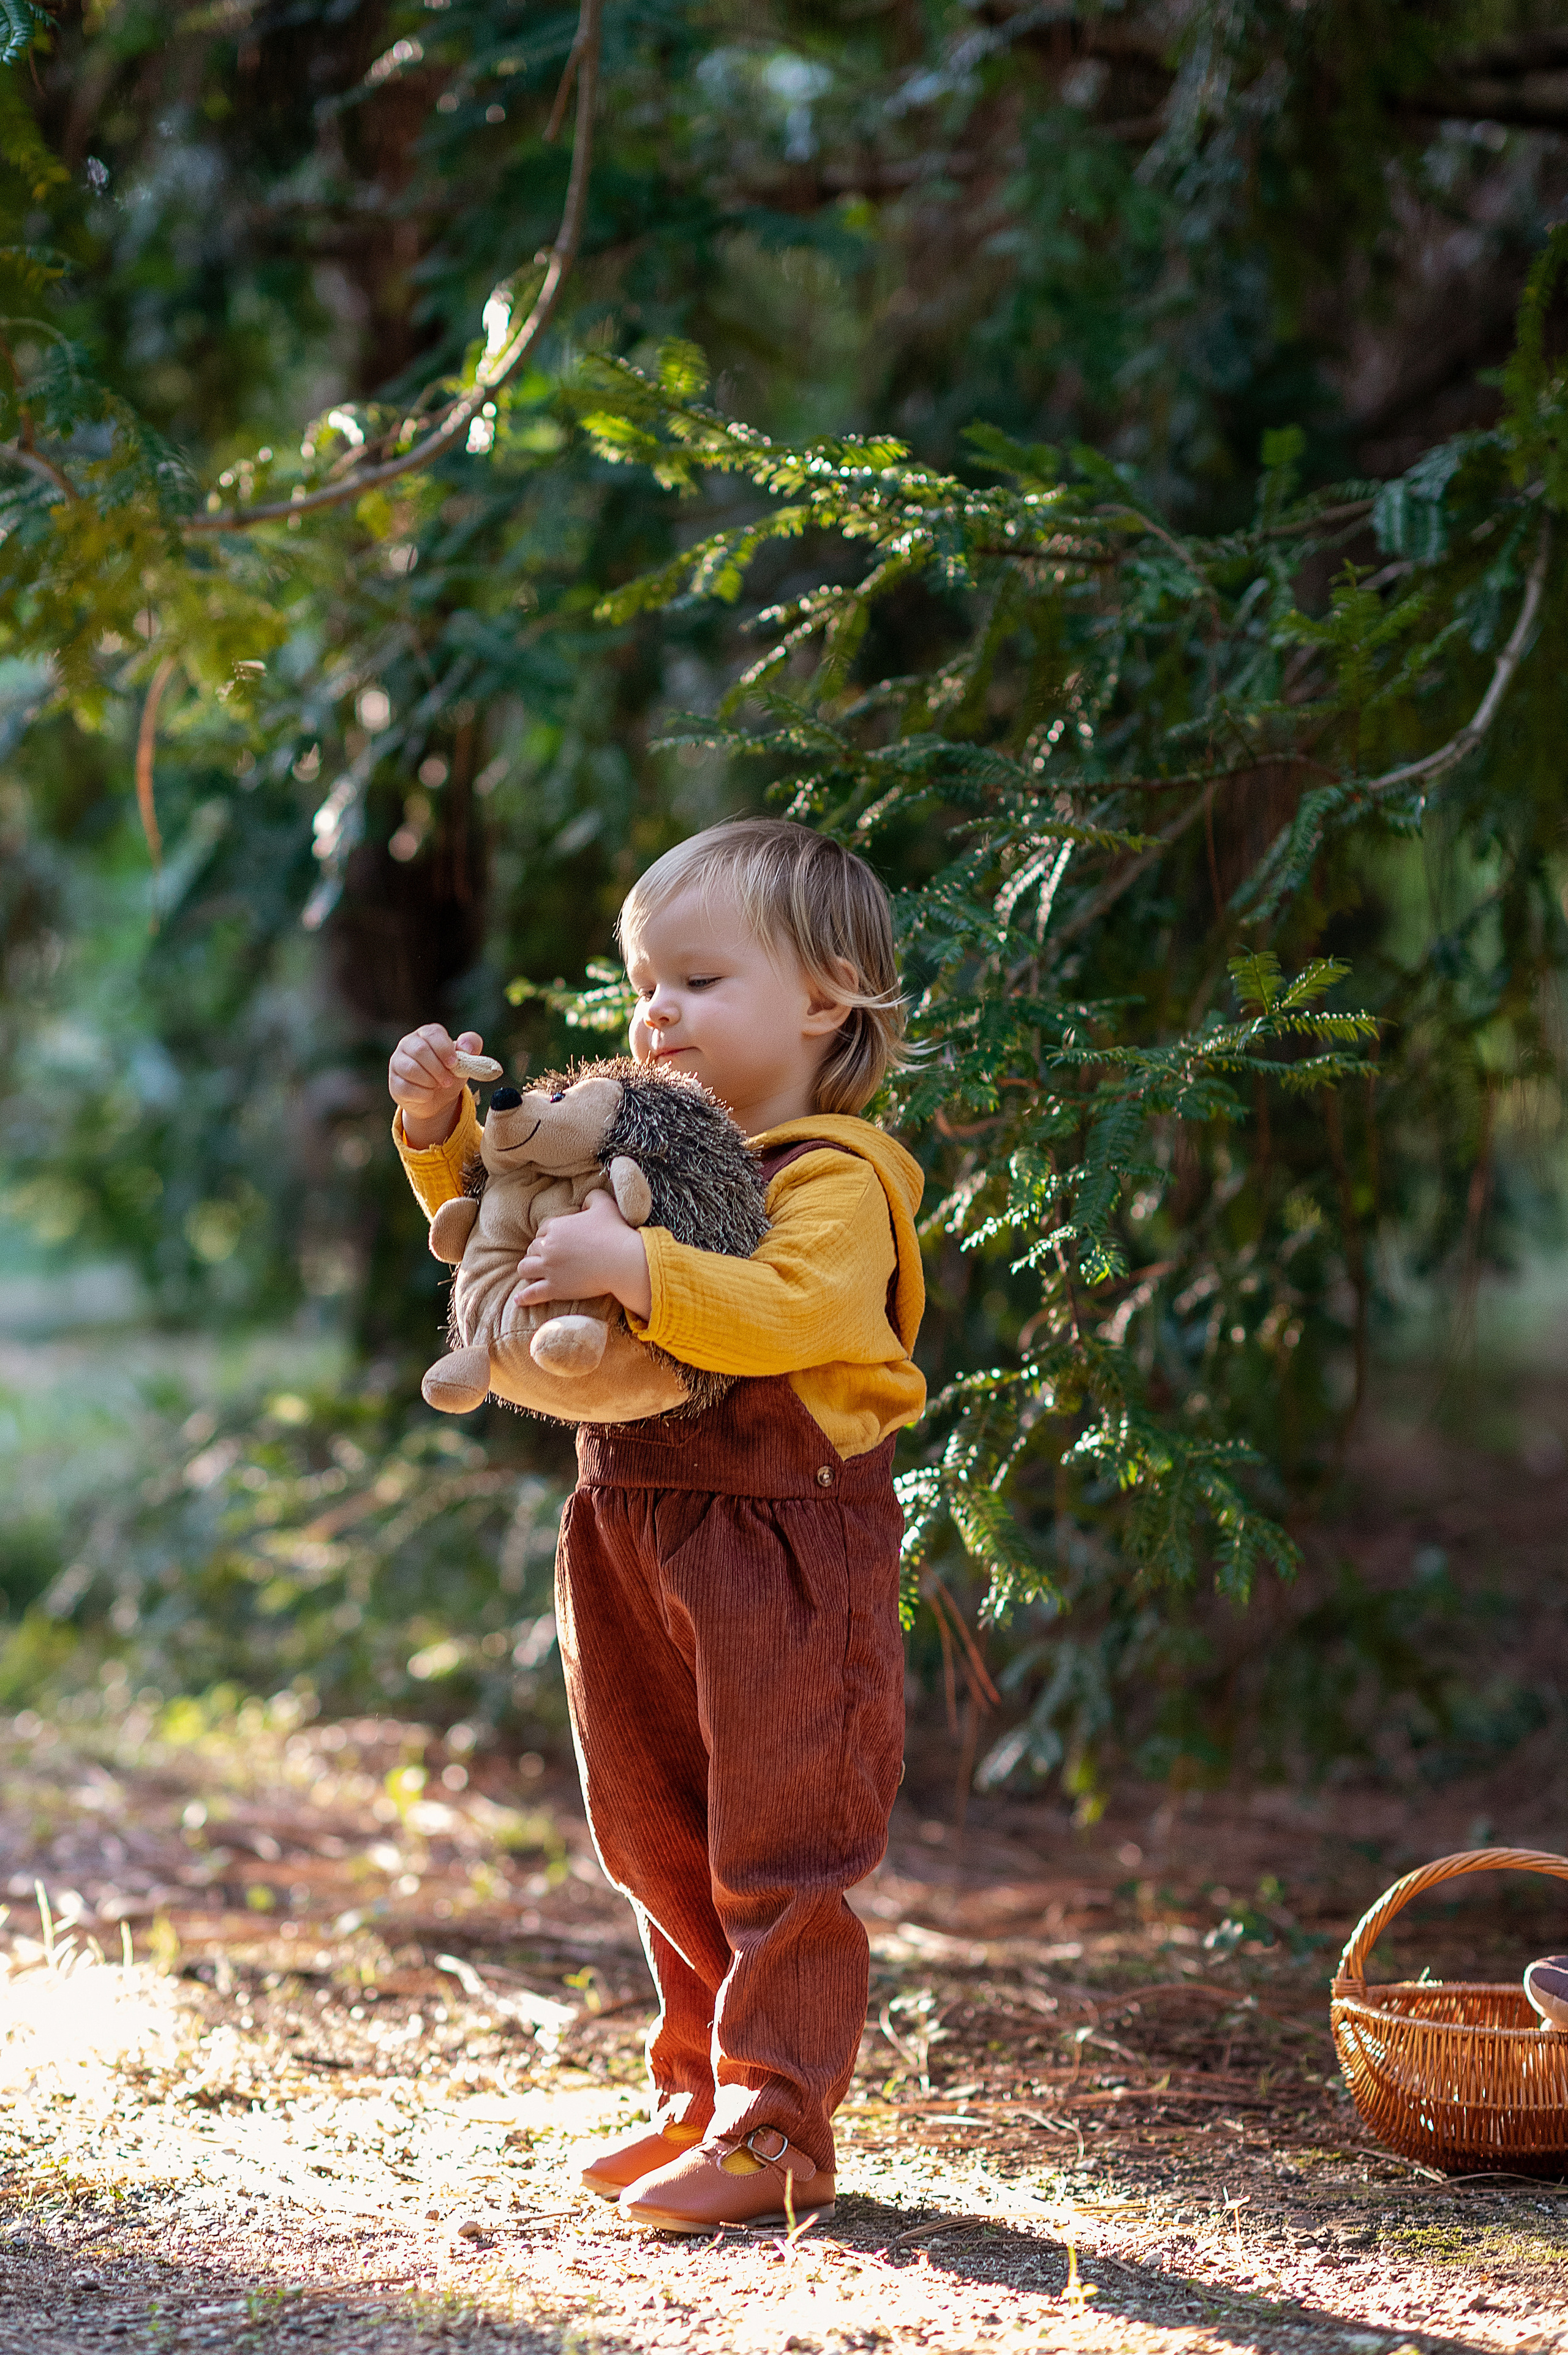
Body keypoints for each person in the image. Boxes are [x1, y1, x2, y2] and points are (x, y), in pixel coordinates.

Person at [387, 817, 925, 2232]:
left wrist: (638, 1265)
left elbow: (796, 1309)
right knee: (647, 1825)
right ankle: (696, 2083)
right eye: (645, 982)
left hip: (787, 1544)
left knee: (780, 1834)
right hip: (623, 1524)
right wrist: (444, 1140)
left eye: (699, 978)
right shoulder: (625, 1144)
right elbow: (512, 1209)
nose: (656, 1011)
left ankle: (777, 2120)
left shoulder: (836, 1175)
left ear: (823, 1000)